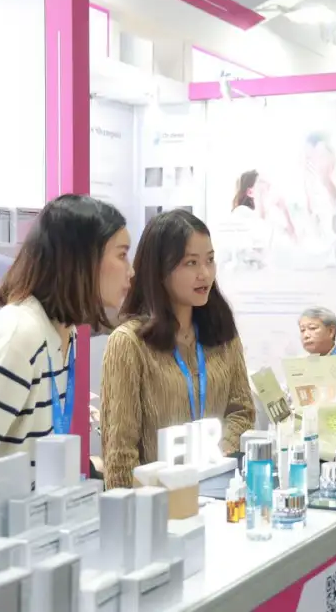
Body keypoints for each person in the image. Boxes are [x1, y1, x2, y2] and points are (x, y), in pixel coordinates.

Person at [0, 195, 133, 472]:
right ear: (82, 260)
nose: (131, 271)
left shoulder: (62, 332)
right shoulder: (19, 336)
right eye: (121, 255)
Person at [101, 209, 255, 488]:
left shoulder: (221, 332)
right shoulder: (129, 343)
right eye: (191, 263)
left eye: (209, 260)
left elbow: (242, 411)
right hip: (156, 502)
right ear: (160, 270)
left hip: (218, 493)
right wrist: (129, 507)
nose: (204, 274)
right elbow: (120, 450)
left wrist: (216, 454)